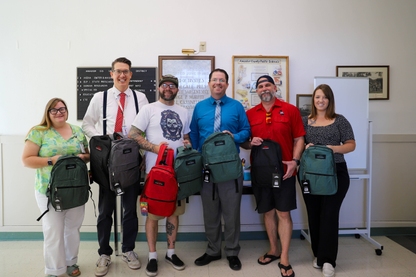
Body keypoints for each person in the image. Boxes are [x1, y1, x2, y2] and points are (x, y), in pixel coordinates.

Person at [82, 57, 149, 276]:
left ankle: (129, 250)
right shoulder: (99, 97)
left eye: (126, 71)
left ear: (131, 74)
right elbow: (86, 124)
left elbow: (148, 124)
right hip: (106, 160)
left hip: (130, 158)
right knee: (105, 210)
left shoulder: (141, 98)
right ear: (111, 74)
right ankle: (104, 253)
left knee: (130, 209)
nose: (122, 75)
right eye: (118, 71)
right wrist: (102, 141)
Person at [243, 75, 305, 277]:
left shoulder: (290, 110)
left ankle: (285, 258)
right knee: (267, 212)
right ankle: (274, 249)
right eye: (260, 86)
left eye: (267, 84)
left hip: (285, 172)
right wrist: (250, 143)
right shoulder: (250, 113)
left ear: (274, 87)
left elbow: (299, 138)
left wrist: (295, 162)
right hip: (260, 173)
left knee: (283, 213)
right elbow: (244, 142)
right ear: (257, 91)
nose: (264, 88)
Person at [128, 74, 190, 276]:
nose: (168, 88)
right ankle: (153, 255)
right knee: (153, 214)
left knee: (173, 212)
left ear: (177, 90)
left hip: (177, 172)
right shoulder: (148, 109)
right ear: (160, 89)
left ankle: (171, 252)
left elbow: (185, 136)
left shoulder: (183, 111)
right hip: (154, 172)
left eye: (172, 86)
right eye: (165, 85)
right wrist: (154, 148)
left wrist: (187, 147)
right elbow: (133, 135)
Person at [190, 68, 251, 271]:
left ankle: (232, 252)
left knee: (232, 213)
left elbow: (246, 131)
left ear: (226, 84)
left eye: (222, 80)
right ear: (209, 83)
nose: (218, 83)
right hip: (207, 168)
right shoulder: (199, 108)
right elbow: (195, 135)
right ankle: (213, 250)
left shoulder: (236, 107)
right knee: (210, 212)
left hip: (230, 169)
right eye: (215, 80)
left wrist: (235, 136)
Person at [22, 98, 90, 277]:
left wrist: (83, 158)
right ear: (48, 113)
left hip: (76, 188)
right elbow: (27, 159)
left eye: (62, 109)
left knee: (73, 228)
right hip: (49, 189)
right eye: (54, 110)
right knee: (53, 230)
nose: (59, 112)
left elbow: (87, 155)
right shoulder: (39, 132)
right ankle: (54, 269)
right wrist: (52, 160)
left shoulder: (77, 131)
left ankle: (70, 262)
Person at [301, 84, 355, 277]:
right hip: (310, 175)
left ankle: (329, 261)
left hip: (336, 173)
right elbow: (297, 144)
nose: (320, 101)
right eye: (317, 97)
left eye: (324, 97)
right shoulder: (305, 121)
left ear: (330, 100)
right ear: (313, 100)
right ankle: (319, 255)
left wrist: (331, 148)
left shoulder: (339, 120)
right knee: (314, 214)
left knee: (329, 214)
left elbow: (351, 144)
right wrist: (305, 147)